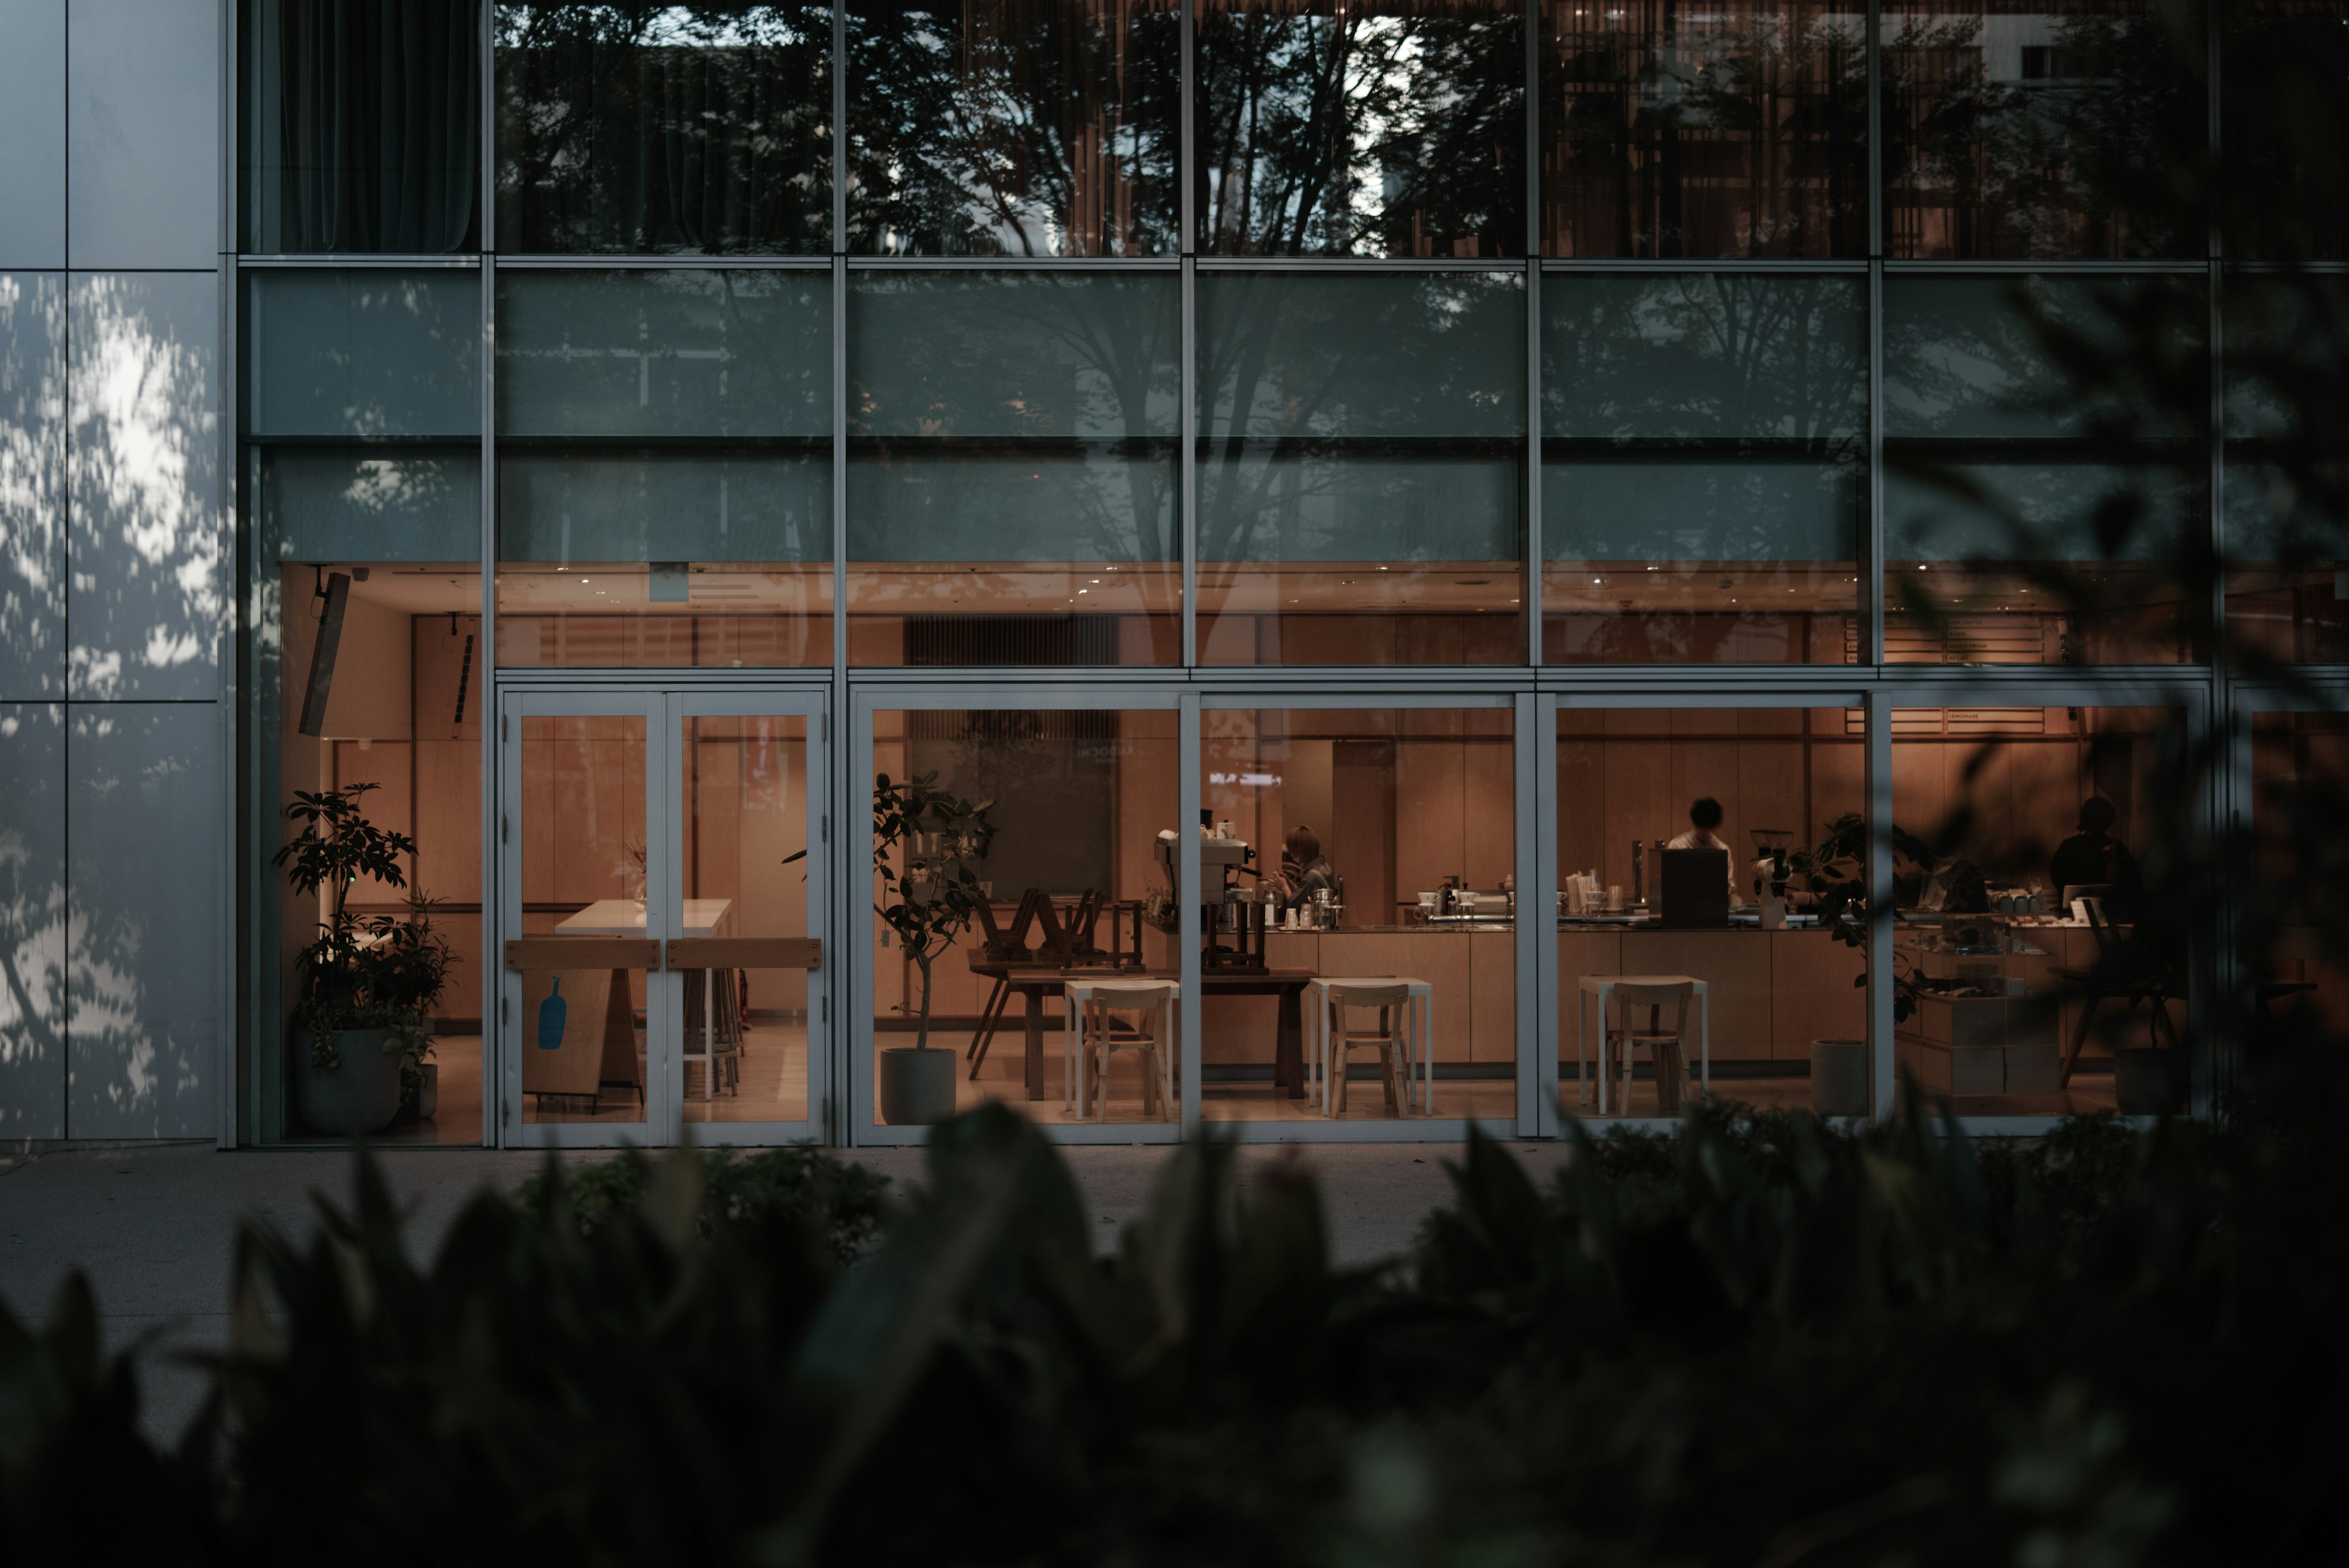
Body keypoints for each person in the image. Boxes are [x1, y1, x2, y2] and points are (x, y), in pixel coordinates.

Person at [2050, 797, 2139, 900]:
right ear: (2108, 821)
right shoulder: (2116, 846)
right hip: (2107, 908)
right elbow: (2132, 878)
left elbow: (2057, 878)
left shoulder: (2068, 845)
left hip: (2072, 905)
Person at [1666, 797, 1741, 897]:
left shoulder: (1722, 849)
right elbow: (1670, 882)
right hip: (1682, 902)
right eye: (1701, 827)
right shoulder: (1677, 846)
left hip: (1713, 902)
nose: (1704, 831)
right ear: (1695, 823)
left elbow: (1730, 885)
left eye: (1708, 827)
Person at [1275, 825, 1337, 914]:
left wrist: (1284, 886)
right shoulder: (1323, 867)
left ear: (1299, 850)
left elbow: (1294, 905)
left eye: (1292, 850)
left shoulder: (1312, 877)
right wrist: (1288, 881)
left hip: (1317, 921)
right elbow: (1303, 893)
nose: (1291, 854)